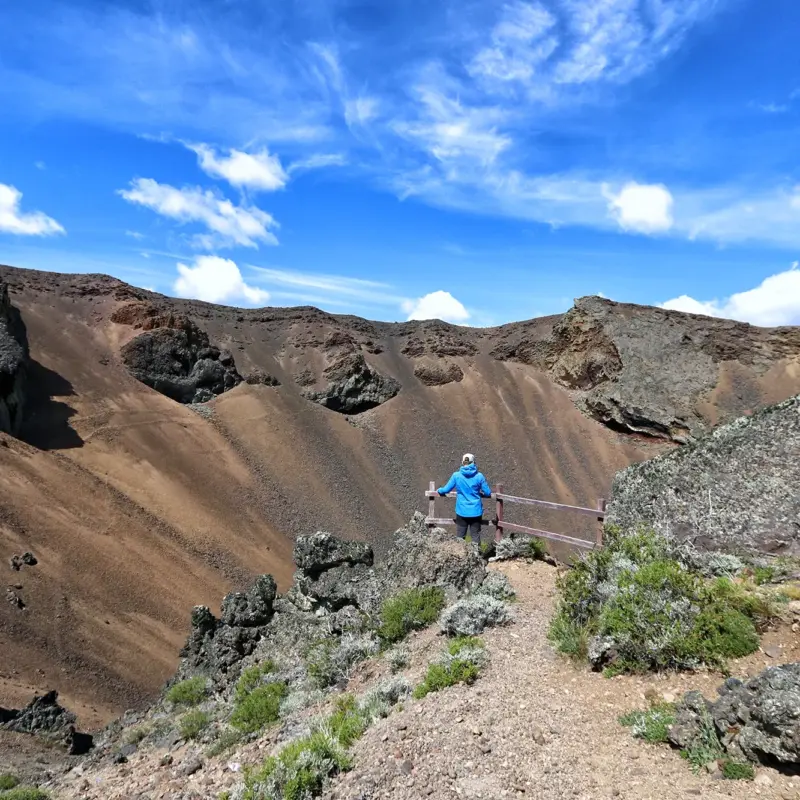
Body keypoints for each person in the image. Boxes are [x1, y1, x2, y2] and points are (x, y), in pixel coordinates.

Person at [437, 453, 492, 548]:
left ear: (463, 462)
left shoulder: (456, 476)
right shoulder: (479, 476)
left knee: (460, 537)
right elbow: (487, 492)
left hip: (461, 511)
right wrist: (481, 493)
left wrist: (439, 490)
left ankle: (460, 558)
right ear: (473, 462)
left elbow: (445, 490)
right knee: (475, 536)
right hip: (475, 512)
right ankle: (477, 558)